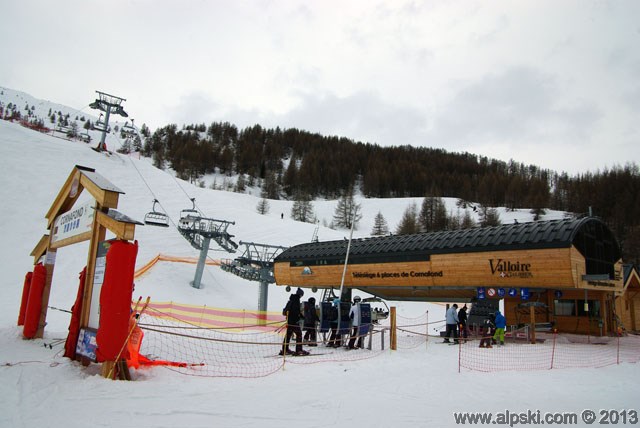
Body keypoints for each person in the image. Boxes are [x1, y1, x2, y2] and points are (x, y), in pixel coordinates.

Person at [280, 288, 309, 356]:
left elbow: (294, 311)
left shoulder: (291, 300)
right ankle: (299, 350)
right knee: (299, 335)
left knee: (288, 335)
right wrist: (300, 317)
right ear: (300, 294)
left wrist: (300, 316)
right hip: (294, 322)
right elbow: (296, 312)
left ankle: (285, 349)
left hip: (289, 321)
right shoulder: (296, 300)